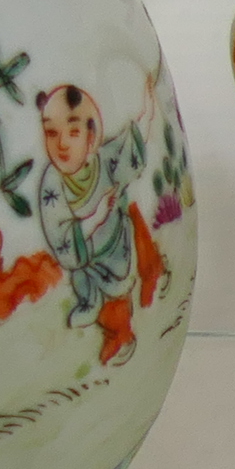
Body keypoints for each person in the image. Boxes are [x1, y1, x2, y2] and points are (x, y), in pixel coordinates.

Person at [33, 72, 169, 366]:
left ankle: (124, 331)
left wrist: (149, 103)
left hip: (116, 243)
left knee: (124, 265)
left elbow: (134, 141)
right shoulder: (51, 185)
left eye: (73, 132)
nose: (62, 145)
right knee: (100, 293)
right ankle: (118, 326)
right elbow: (60, 234)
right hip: (86, 258)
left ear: (92, 136)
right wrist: (94, 218)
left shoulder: (103, 159)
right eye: (51, 133)